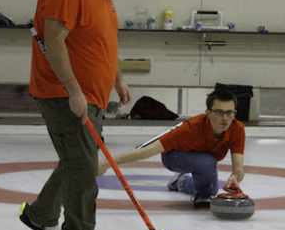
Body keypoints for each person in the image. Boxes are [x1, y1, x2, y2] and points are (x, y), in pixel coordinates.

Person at [21, 0, 134, 230]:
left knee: (76, 161)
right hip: (64, 94)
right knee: (83, 169)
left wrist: (117, 80)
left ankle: (40, 215)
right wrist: (73, 90)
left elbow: (99, 40)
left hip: (92, 96)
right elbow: (53, 40)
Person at [97, 88, 245, 208]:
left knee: (211, 190)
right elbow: (145, 151)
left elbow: (239, 168)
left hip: (204, 159)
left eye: (230, 112)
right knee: (207, 164)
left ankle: (179, 182)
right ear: (208, 112)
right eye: (219, 112)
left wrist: (235, 176)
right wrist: (106, 163)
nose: (225, 118)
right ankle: (196, 190)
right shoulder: (190, 128)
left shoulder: (237, 129)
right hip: (174, 157)